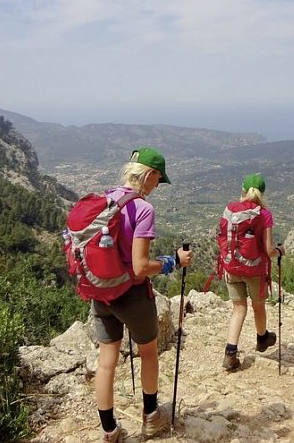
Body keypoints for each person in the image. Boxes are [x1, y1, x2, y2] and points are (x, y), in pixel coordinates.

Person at [92, 147, 193, 442]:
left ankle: (110, 431)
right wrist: (172, 261)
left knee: (106, 360)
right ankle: (151, 417)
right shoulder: (142, 209)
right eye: (158, 180)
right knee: (148, 352)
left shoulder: (103, 199)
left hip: (101, 292)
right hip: (132, 295)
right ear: (148, 175)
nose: (156, 188)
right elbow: (139, 267)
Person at [220, 173, 285, 371]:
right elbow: (269, 250)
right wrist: (281, 251)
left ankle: (230, 353)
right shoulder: (264, 214)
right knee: (258, 306)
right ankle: (262, 338)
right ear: (262, 193)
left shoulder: (230, 210)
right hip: (254, 269)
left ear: (243, 190)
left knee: (238, 309)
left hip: (230, 267)